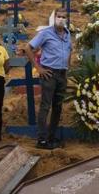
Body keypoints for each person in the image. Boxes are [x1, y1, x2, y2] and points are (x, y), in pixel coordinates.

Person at [28, 10, 72, 149]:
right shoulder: (46, 33)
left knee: (58, 107)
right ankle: (42, 139)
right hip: (49, 73)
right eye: (59, 16)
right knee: (45, 106)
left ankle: (51, 137)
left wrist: (67, 66)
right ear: (54, 18)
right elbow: (28, 48)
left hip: (62, 74)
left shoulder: (68, 34)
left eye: (64, 17)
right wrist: (38, 68)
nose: (61, 19)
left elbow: (69, 50)